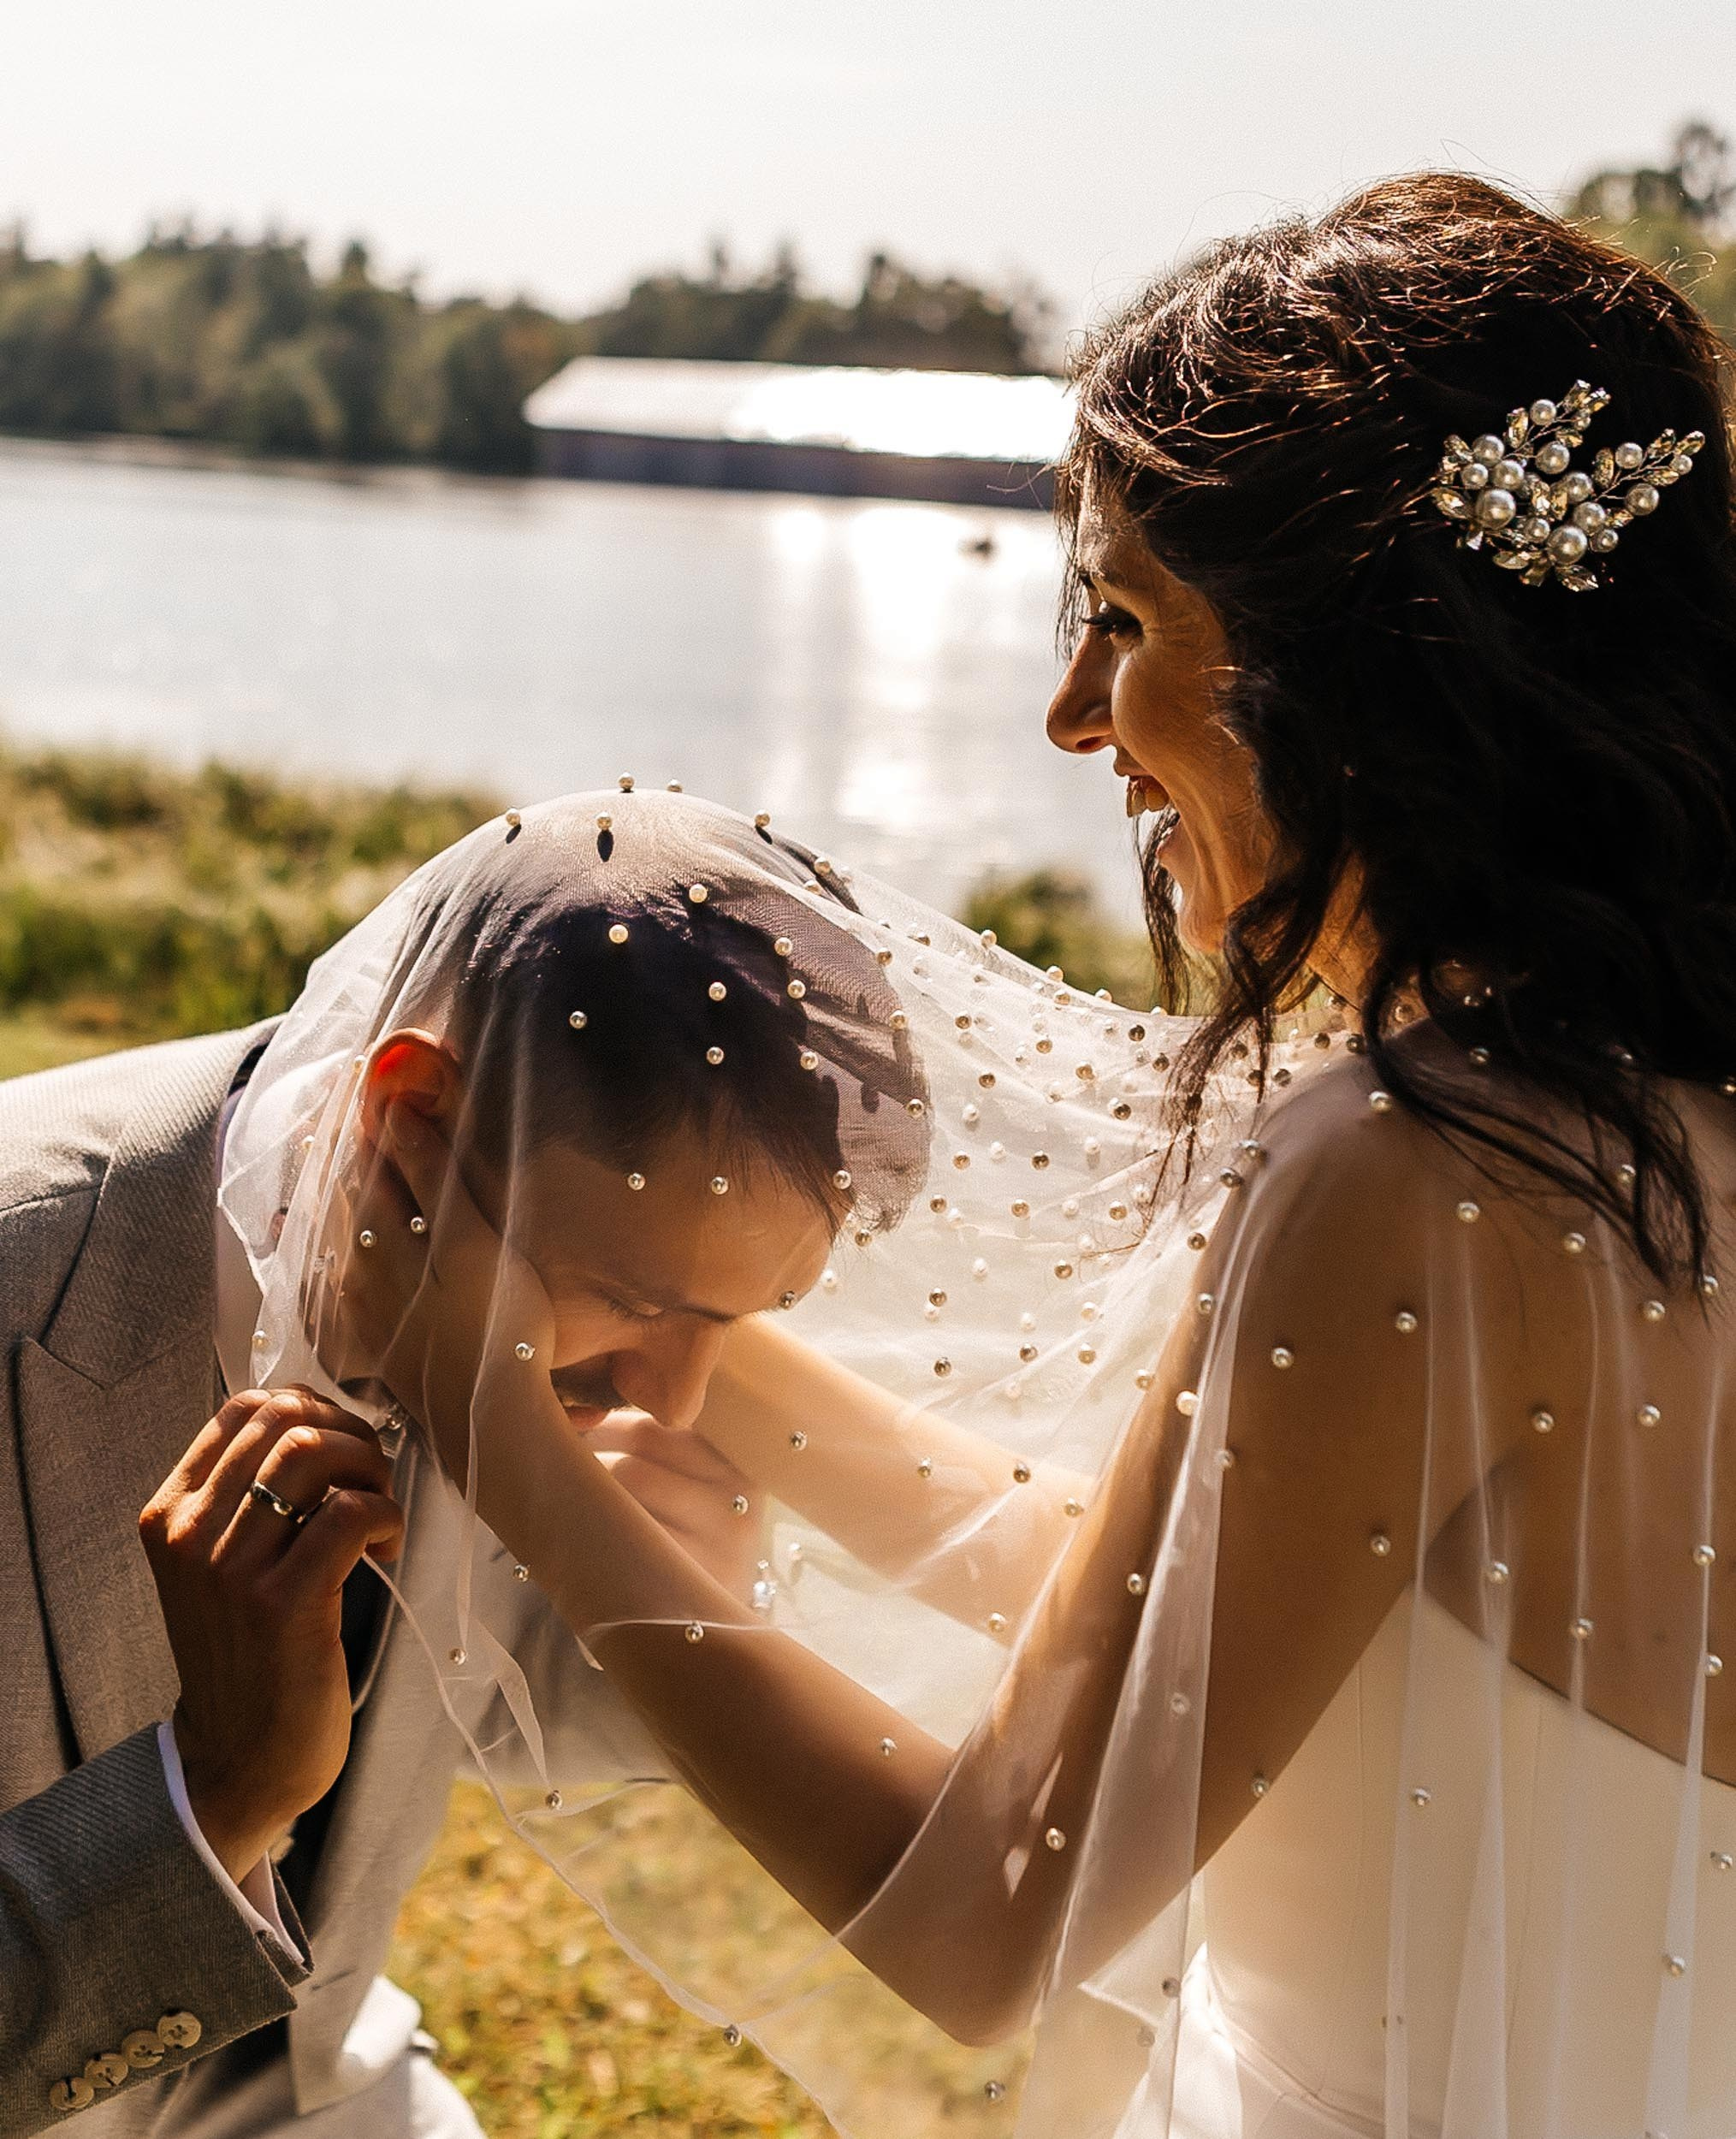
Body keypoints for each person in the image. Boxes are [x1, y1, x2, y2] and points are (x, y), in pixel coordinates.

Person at [288, 173, 1736, 2139]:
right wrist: (706, 1347)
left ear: (1370, 674)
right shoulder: (1665, 1128)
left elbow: (989, 1916)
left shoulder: (1416, 1163)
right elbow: (1235, 1610)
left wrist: (492, 1410)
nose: (1077, 717)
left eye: (1128, 618)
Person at [0, 793, 923, 2136]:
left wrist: (654, 1597)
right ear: (410, 1108)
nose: (681, 1391)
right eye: (633, 1298)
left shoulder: (459, 1250)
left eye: (734, 1320)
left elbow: (461, 1687)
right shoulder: (22, 1283)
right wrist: (212, 1791)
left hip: (323, 2088)